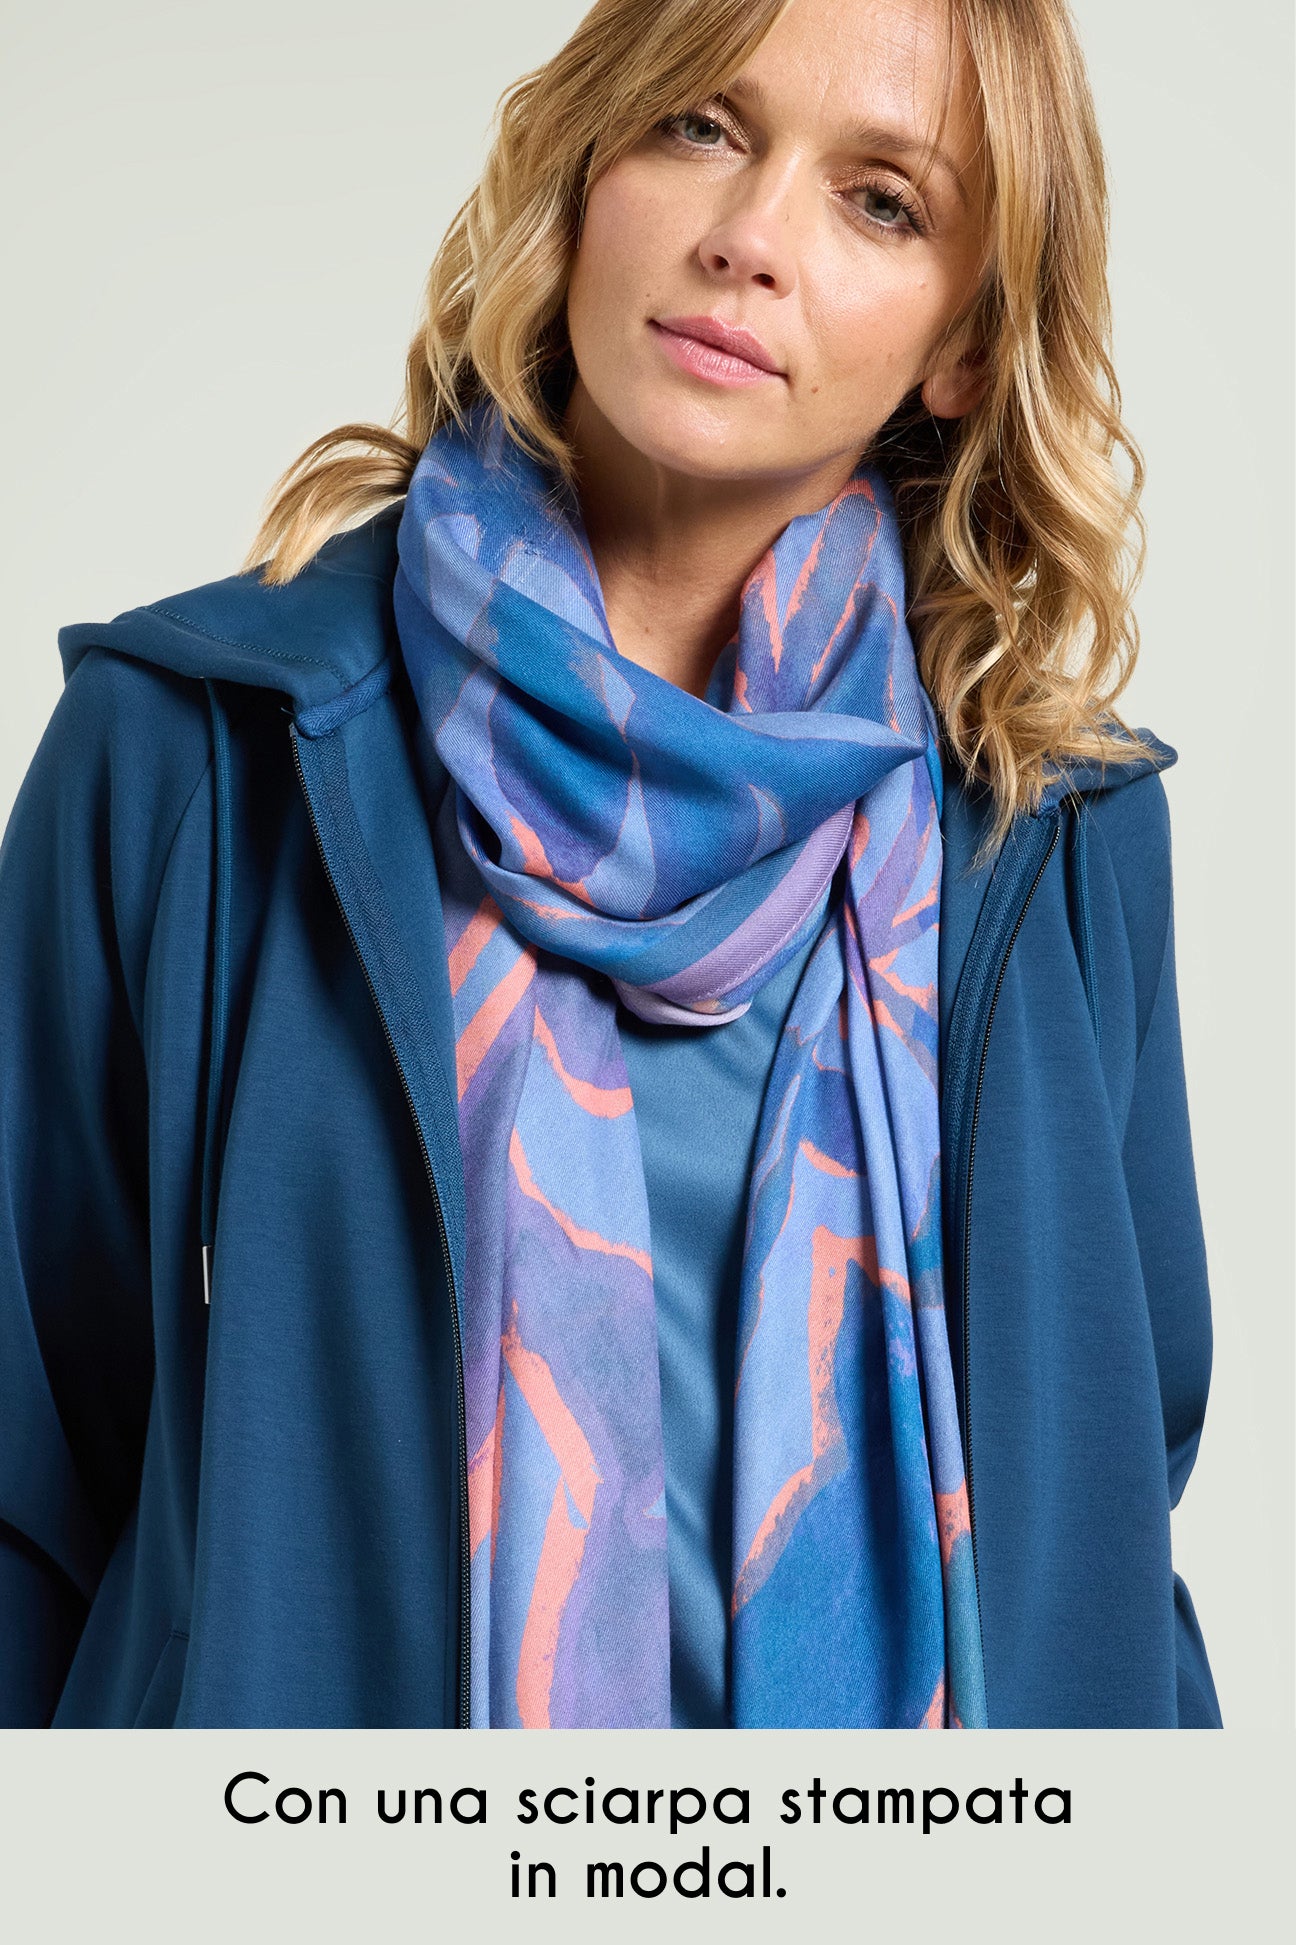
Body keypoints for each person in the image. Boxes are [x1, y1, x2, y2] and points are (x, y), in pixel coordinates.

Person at [0, 0, 1221, 1730]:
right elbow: (27, 1475)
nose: (751, 237)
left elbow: (1113, 1511)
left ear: (961, 347)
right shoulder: (197, 752)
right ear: (587, 167)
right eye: (699, 125)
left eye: (882, 201)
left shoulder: (1060, 832)